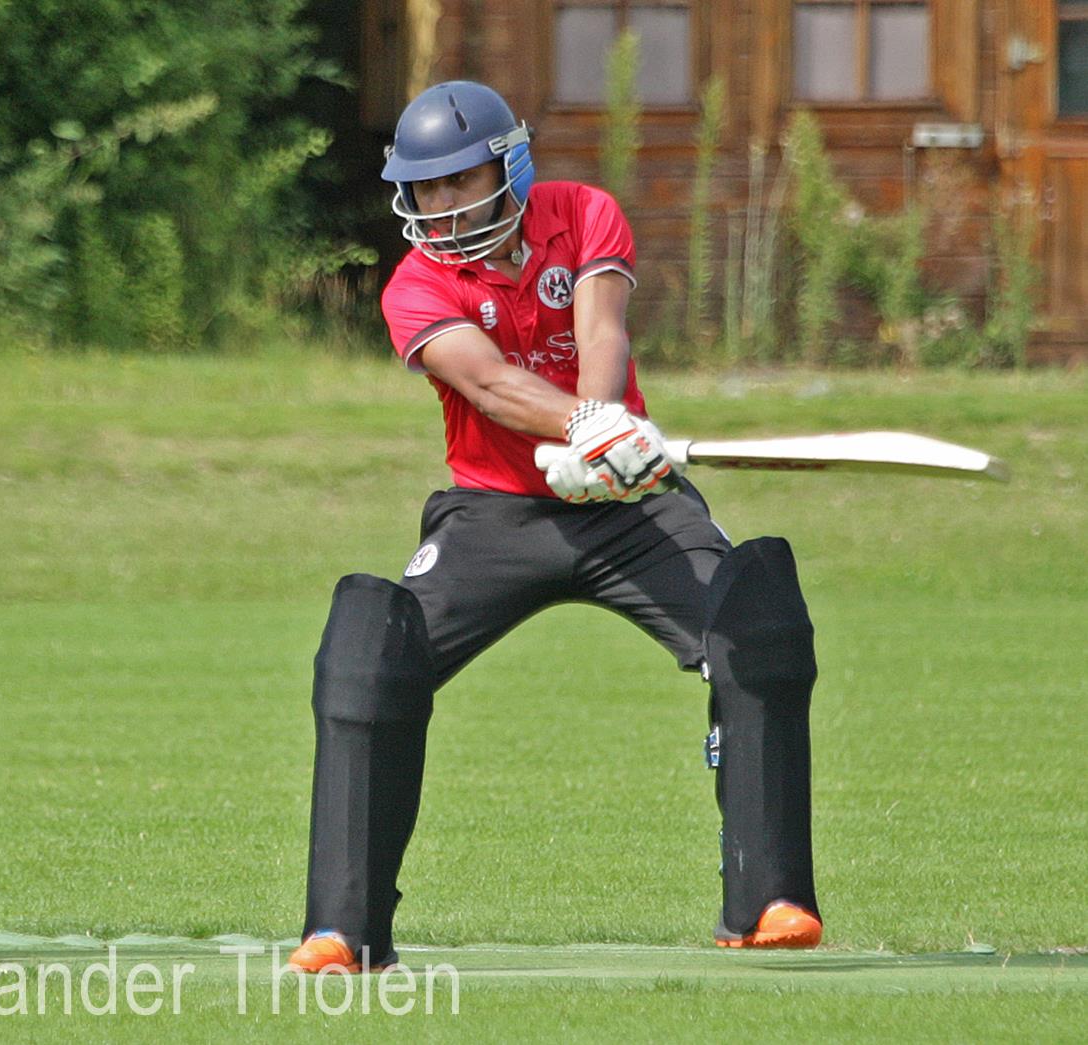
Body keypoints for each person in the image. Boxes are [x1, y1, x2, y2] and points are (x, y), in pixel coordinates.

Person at [288, 82, 821, 973]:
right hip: (492, 511)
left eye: (461, 181)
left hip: (630, 505)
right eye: (425, 187)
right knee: (370, 650)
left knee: (755, 620)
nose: (442, 205)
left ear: (511, 167)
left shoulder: (584, 213)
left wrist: (604, 434)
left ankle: (769, 900)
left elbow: (601, 332)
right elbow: (489, 383)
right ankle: (343, 929)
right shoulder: (415, 285)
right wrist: (581, 427)